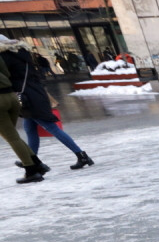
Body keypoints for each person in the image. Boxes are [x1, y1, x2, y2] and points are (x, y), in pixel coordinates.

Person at [0, 35, 94, 175]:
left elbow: (6, 75)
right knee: (29, 128)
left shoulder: (6, 56)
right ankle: (34, 159)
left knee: (51, 127)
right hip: (34, 91)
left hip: (26, 96)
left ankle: (81, 155)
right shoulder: (22, 52)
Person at [0, 51, 45, 184]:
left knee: (11, 137)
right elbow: (6, 72)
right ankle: (37, 163)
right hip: (11, 97)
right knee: (14, 136)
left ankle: (31, 171)